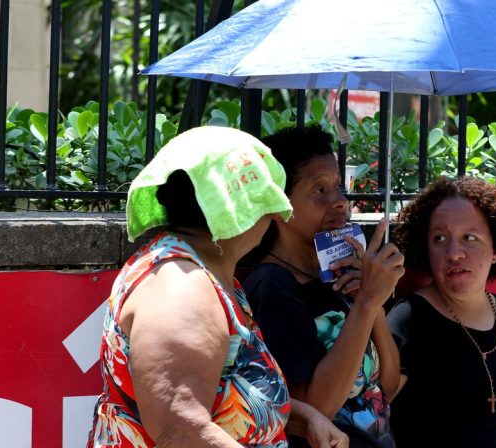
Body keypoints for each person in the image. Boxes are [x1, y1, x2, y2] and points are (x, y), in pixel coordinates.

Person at [87, 126, 348, 448]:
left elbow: (219, 391)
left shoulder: (205, 272)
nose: (273, 213)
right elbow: (181, 431)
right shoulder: (181, 286)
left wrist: (304, 416)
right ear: (239, 207)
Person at [243, 126, 404, 448]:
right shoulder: (273, 286)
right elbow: (314, 412)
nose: (340, 202)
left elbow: (387, 386)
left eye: (338, 187)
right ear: (278, 205)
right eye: (320, 190)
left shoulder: (339, 277)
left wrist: (370, 303)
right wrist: (367, 304)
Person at [387, 176, 496, 448]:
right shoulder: (408, 319)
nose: (453, 253)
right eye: (440, 238)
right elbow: (379, 414)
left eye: (469, 238)